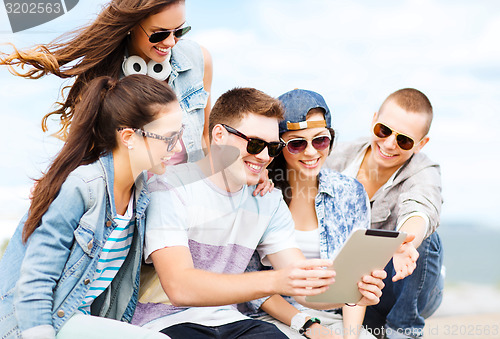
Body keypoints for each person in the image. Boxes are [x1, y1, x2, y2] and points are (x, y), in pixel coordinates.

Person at [131, 87, 387, 338]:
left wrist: (351, 292)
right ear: (219, 134)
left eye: (273, 148)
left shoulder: (268, 201)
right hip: (165, 322)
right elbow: (179, 287)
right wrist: (276, 281)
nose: (264, 156)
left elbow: (303, 286)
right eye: (255, 144)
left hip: (233, 321)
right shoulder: (170, 187)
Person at [0, 74, 184, 339]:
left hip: (79, 320)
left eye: (180, 134)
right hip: (36, 323)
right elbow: (35, 280)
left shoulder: (141, 193)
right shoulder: (82, 187)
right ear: (129, 137)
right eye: (169, 137)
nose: (177, 146)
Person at [240, 89, 412, 339]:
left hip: (335, 316)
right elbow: (250, 280)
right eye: (297, 143)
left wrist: (350, 336)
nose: (311, 152)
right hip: (271, 318)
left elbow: (356, 281)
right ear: (278, 147)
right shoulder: (260, 194)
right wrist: (310, 327)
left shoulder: (350, 193)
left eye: (320, 140)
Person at [0, 0, 212, 163]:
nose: (170, 42)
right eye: (159, 34)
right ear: (132, 25)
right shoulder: (105, 79)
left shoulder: (198, 60)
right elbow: (88, 152)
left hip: (187, 207)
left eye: (179, 31)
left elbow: (205, 141)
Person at [325, 88, 444, 339]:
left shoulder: (424, 171)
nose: (389, 144)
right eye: (384, 130)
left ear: (421, 144)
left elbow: (422, 206)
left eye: (404, 140)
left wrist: (405, 242)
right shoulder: (338, 157)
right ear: (373, 120)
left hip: (402, 283)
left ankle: (404, 331)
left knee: (424, 240)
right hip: (357, 285)